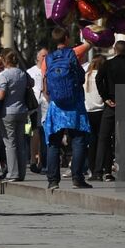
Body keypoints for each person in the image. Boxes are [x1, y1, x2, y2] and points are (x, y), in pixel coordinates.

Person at [41, 26, 92, 192]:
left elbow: (45, 82)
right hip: (75, 104)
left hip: (56, 105)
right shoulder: (72, 54)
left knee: (54, 142)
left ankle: (52, 180)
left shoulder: (47, 58)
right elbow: (79, 76)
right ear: (67, 38)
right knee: (78, 140)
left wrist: (51, 97)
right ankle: (77, 178)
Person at [95, 40, 125, 182]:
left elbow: (98, 79)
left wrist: (105, 97)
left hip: (111, 104)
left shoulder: (108, 64)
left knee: (103, 138)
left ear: (115, 50)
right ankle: (123, 173)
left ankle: (98, 171)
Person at [0, 50, 33, 183]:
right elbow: (32, 83)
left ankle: (13, 173)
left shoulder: (4, 75)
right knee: (21, 142)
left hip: (8, 111)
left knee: (10, 144)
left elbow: (1, 95)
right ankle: (21, 173)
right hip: (22, 110)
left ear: (4, 60)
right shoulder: (22, 73)